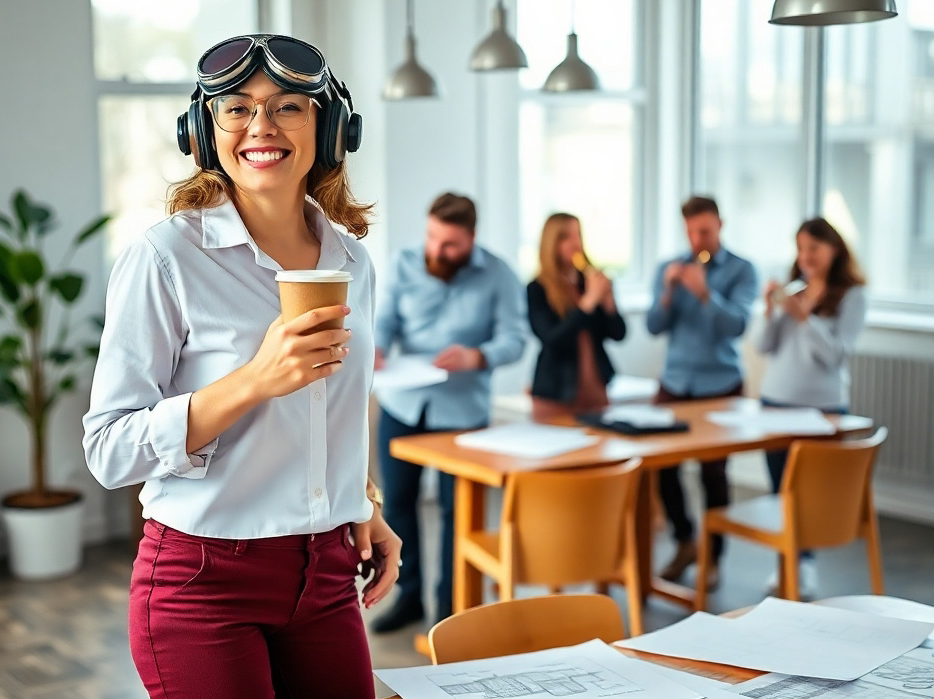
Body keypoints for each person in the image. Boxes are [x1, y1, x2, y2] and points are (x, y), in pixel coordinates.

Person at [82, 34, 401, 698]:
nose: (262, 125)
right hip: (203, 580)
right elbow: (108, 449)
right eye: (237, 108)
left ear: (331, 128)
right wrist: (255, 379)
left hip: (327, 575)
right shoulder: (165, 258)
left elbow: (327, 415)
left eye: (288, 106)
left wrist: (360, 501)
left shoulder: (351, 261)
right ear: (204, 130)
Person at [371, 192, 527, 632]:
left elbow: (516, 339)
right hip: (403, 406)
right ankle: (410, 596)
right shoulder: (404, 263)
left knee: (457, 511)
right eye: (432, 237)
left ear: (472, 239)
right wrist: (379, 345)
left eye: (450, 244)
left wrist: (477, 356)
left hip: (463, 415)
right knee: (398, 505)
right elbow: (385, 321)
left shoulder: (499, 276)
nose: (437, 250)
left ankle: (449, 606)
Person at [646, 195, 757, 588]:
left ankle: (713, 558)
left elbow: (737, 326)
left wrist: (706, 294)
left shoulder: (742, 271)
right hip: (675, 383)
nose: (698, 239)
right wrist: (667, 292)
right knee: (660, 468)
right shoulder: (670, 268)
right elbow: (654, 326)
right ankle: (684, 541)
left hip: (720, 385)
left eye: (705, 231)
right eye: (692, 232)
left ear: (720, 226)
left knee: (713, 474)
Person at [757, 217, 867, 596]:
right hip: (775, 402)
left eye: (814, 249)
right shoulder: (793, 289)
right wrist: (770, 310)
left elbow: (836, 355)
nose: (806, 257)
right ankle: (783, 561)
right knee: (779, 491)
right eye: (801, 249)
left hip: (823, 408)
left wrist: (805, 320)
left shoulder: (851, 295)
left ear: (833, 248)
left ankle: (805, 564)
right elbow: (763, 346)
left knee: (810, 492)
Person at [527, 213, 626, 419]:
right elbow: (552, 338)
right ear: (551, 243)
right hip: (556, 392)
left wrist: (608, 302)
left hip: (595, 388)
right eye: (566, 237)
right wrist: (588, 302)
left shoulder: (588, 281)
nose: (575, 244)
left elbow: (618, 334)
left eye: (577, 235)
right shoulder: (537, 289)